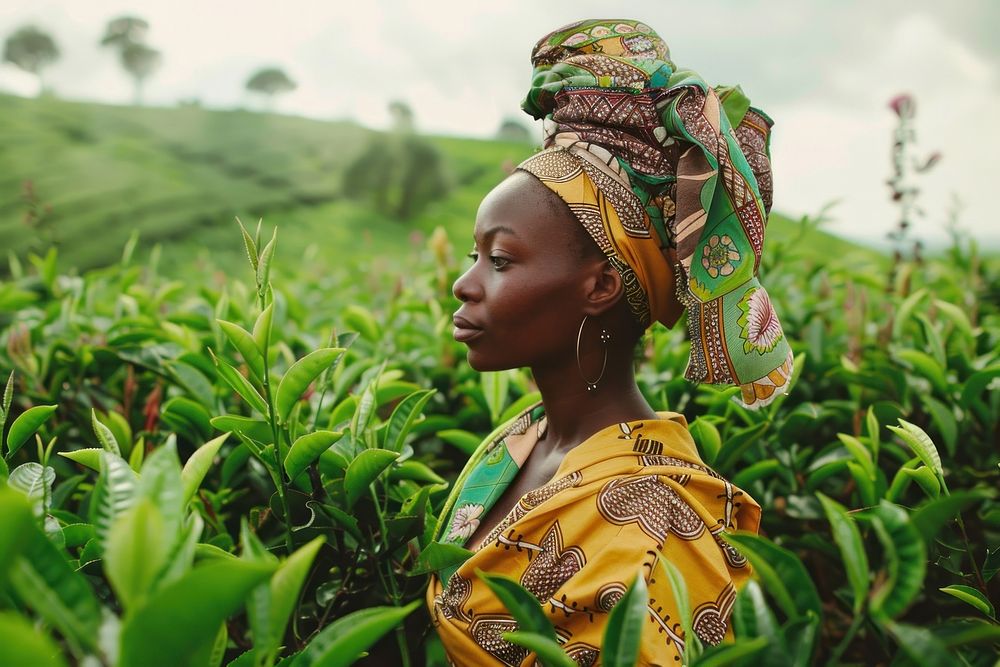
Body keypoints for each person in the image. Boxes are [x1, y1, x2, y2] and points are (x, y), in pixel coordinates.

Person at [425, 18, 794, 666]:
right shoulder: (517, 440)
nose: (463, 284)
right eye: (472, 254)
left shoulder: (657, 523)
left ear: (599, 284)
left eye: (501, 260)